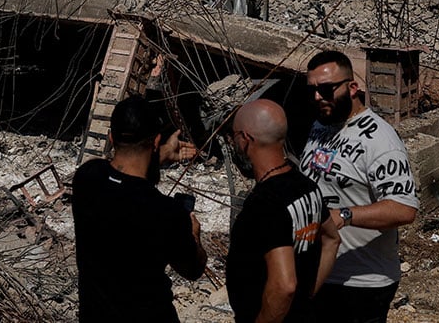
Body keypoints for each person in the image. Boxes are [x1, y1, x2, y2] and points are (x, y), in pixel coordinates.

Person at [299, 50, 419, 323]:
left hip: (362, 283)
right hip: (319, 274)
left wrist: (343, 216)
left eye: (327, 89)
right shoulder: (321, 124)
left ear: (353, 88)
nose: (318, 97)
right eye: (313, 90)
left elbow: (404, 209)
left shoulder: (380, 141)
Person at [72, 96, 206, 322]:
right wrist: (194, 236)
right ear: (155, 141)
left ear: (111, 138)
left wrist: (160, 155)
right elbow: (193, 269)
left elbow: (117, 174)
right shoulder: (166, 212)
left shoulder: (86, 179)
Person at [227, 99, 340, 323]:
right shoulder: (306, 186)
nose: (233, 144)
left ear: (246, 138)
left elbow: (284, 285)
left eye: (234, 137)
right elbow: (332, 240)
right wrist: (306, 297)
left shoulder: (265, 204)